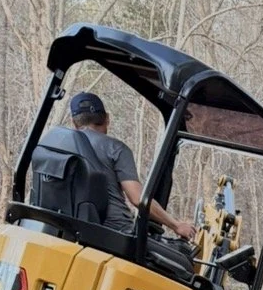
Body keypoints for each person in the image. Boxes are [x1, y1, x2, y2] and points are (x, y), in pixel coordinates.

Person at [67, 91, 196, 242]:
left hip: (69, 229)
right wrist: (177, 225)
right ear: (107, 118)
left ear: (73, 122)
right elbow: (138, 198)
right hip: (115, 235)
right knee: (180, 260)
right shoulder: (116, 148)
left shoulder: (58, 145)